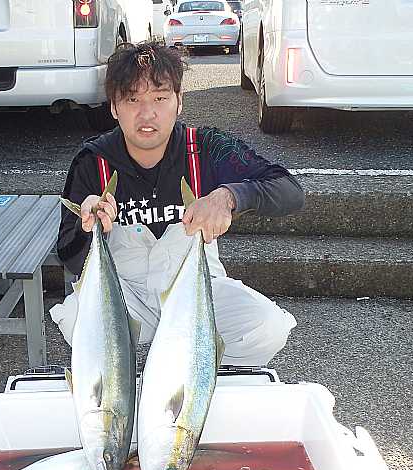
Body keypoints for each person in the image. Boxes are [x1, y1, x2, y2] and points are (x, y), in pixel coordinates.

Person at [50, 41, 304, 366]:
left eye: (160, 97)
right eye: (132, 99)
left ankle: (195, 377)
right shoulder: (92, 161)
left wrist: (229, 197)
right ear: (114, 107)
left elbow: (289, 190)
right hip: (125, 295)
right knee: (76, 319)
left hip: (196, 292)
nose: (147, 114)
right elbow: (69, 256)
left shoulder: (207, 148)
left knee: (267, 327)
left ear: (179, 100)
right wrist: (87, 227)